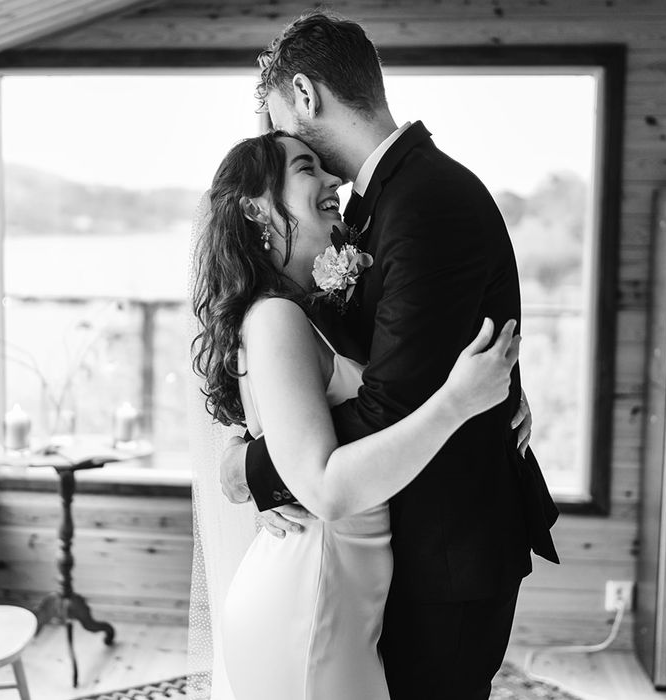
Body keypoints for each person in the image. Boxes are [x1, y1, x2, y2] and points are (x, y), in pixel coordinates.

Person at [217, 12, 559, 700]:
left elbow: (387, 407)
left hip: (446, 555)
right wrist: (259, 448)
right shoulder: (385, 204)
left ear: (306, 96)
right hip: (394, 553)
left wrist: (262, 468)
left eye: (281, 122)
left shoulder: (427, 201)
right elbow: (365, 369)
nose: (279, 139)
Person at [190, 132, 522, 699]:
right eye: (305, 169)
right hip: (308, 604)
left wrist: (247, 465)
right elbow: (326, 490)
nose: (333, 182)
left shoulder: (305, 312)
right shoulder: (275, 318)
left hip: (341, 600)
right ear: (255, 208)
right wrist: (460, 401)